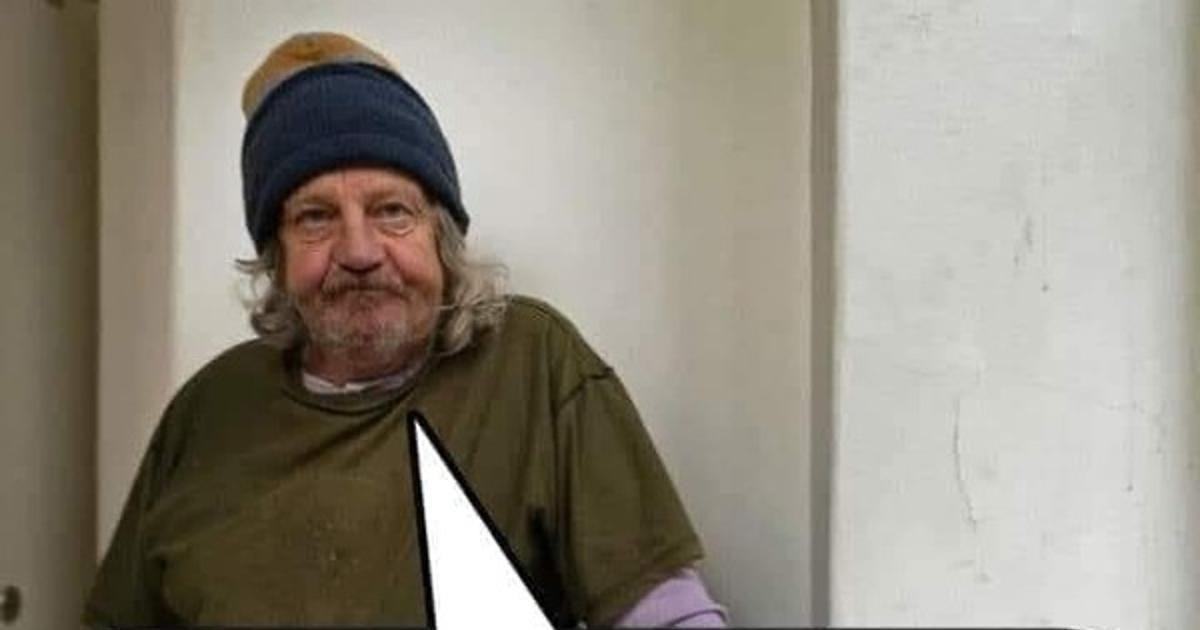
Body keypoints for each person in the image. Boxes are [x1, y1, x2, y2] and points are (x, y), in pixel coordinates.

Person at [82, 32, 728, 628]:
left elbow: (666, 614)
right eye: (315, 218)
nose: (359, 251)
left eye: (392, 211)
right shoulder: (208, 409)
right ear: (276, 259)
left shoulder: (532, 364)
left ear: (441, 236)